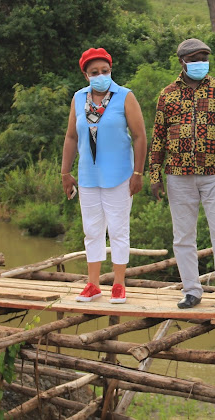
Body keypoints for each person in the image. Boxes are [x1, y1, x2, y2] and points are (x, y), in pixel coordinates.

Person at [149, 38, 215, 312]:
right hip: (178, 175)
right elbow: (158, 136)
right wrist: (154, 175)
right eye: (194, 58)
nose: (200, 63)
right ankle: (191, 291)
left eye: (204, 57)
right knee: (183, 237)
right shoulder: (167, 94)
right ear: (182, 61)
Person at [61, 47, 147, 304]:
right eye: (94, 72)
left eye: (105, 71)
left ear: (111, 71)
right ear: (86, 75)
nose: (100, 75)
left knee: (119, 230)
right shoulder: (79, 99)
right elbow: (71, 137)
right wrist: (65, 172)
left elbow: (140, 136)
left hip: (120, 176)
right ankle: (93, 284)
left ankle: (119, 284)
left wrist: (138, 172)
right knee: (92, 231)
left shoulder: (124, 97)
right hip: (88, 177)